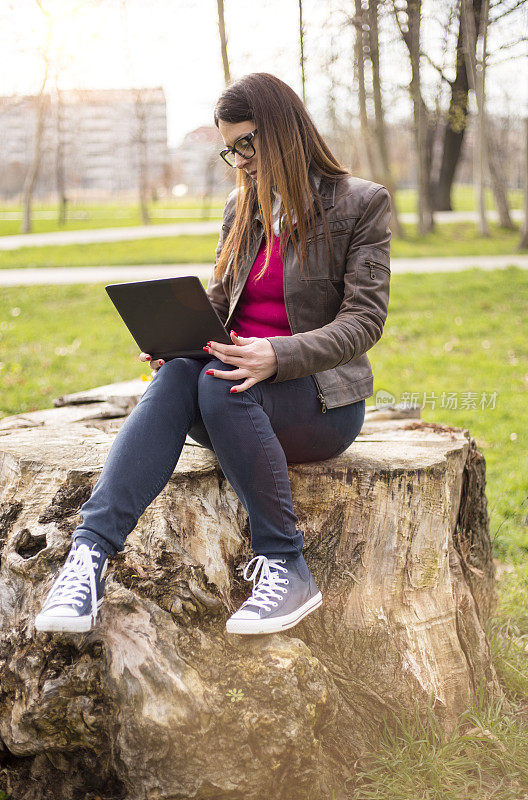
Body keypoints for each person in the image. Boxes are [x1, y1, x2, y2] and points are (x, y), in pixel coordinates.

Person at [35, 72, 391, 637]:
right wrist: (178, 335)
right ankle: (88, 559)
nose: (241, 163)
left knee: (212, 383)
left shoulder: (359, 203)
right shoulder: (240, 206)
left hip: (318, 402)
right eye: (230, 151)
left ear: (284, 130)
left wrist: (277, 353)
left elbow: (365, 319)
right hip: (228, 393)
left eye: (247, 144)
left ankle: (286, 565)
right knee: (184, 372)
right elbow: (223, 298)